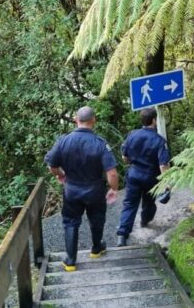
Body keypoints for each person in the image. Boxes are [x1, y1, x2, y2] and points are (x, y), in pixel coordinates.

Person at [45, 106, 119, 272]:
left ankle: (70, 260)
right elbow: (112, 173)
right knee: (97, 219)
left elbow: (52, 165)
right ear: (93, 120)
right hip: (95, 190)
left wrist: (61, 175)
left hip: (72, 190)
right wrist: (113, 189)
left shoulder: (63, 141)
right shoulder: (100, 143)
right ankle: (96, 248)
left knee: (70, 222)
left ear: (76, 120)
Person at [116, 107, 170, 246]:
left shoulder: (132, 135)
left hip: (133, 175)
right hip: (151, 177)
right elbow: (163, 165)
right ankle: (145, 220)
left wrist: (133, 162)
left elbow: (124, 157)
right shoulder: (159, 140)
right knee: (149, 202)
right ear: (153, 120)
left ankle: (122, 235)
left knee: (129, 204)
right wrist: (167, 184)